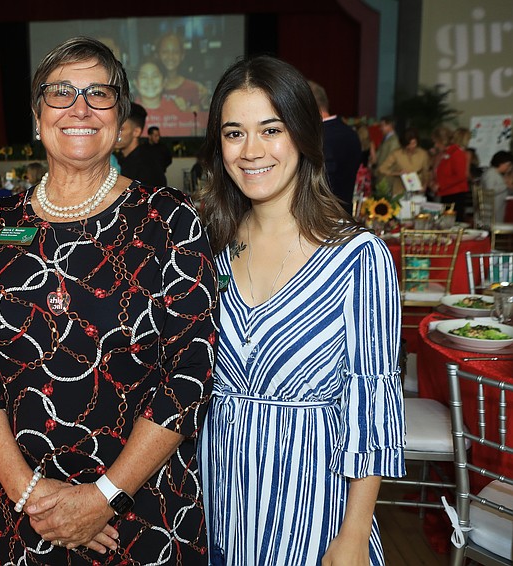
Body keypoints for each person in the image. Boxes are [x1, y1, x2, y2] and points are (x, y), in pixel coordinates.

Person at [0, 36, 217, 565]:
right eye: (61, 93)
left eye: (99, 94)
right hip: (19, 515)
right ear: (36, 111)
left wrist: (103, 497)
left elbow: (189, 373)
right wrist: (32, 495)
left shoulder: (170, 220)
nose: (80, 108)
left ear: (122, 117)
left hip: (142, 514)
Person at [197, 55, 405, 565]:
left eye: (271, 129)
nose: (252, 151)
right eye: (234, 133)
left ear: (303, 134)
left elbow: (371, 407)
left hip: (313, 524)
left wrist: (355, 533)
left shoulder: (357, 257)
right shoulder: (208, 246)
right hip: (215, 514)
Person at [308, 80, 363, 214]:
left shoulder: (318, 137)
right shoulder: (350, 133)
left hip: (320, 218)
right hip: (344, 214)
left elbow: (323, 183)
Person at [115, 103, 167, 187]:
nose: (115, 133)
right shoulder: (119, 159)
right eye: (113, 128)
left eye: (121, 129)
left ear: (136, 132)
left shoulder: (148, 166)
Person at [430, 125, 469, 221]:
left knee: (453, 222)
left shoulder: (456, 153)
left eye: (436, 142)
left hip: (455, 194)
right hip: (446, 193)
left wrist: (440, 184)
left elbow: (460, 176)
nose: (435, 145)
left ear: (442, 141)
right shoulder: (445, 153)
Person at [378, 128, 432, 195]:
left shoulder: (423, 154)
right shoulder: (396, 153)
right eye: (409, 144)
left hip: (417, 190)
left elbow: (426, 172)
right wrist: (397, 173)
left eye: (414, 143)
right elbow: (382, 169)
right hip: (399, 190)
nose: (412, 146)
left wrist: (425, 185)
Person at [481, 150, 513, 224]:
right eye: (508, 165)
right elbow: (490, 190)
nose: (508, 168)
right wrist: (506, 185)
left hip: (497, 209)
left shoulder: (497, 174)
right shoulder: (491, 174)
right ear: (502, 164)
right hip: (492, 212)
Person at [372, 115, 399, 182]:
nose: (380, 128)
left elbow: (389, 161)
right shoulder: (386, 139)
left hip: (386, 178)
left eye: (382, 126)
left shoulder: (394, 141)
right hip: (382, 176)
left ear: (389, 126)